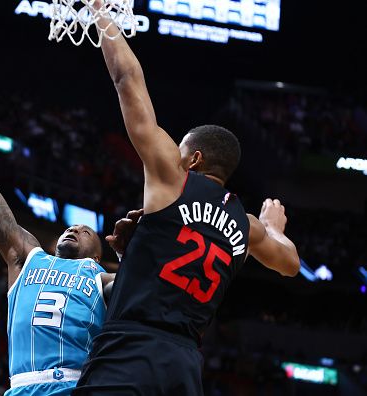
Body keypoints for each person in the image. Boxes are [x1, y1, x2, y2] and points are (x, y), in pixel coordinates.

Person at [73, 3, 301, 395]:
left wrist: (100, 12)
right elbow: (291, 263)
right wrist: (275, 228)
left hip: (129, 351)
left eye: (180, 150)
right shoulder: (246, 226)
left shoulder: (175, 181)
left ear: (193, 158)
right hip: (183, 367)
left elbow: (127, 78)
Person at [0, 73, 113, 396]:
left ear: (97, 256)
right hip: (21, 388)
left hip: (76, 387)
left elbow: (147, 285)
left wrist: (126, 254)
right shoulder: (28, 256)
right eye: (72, 227)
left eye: (85, 232)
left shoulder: (102, 278)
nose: (74, 229)